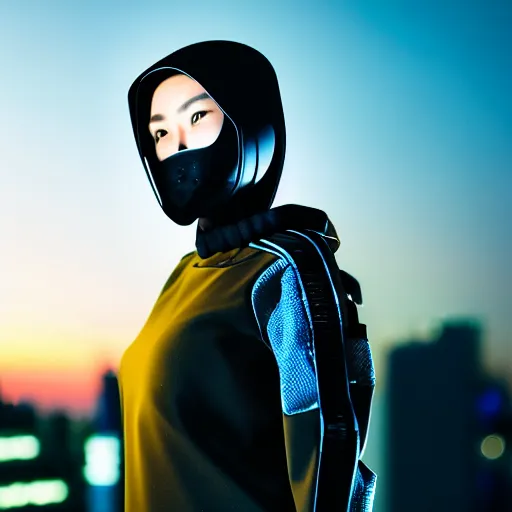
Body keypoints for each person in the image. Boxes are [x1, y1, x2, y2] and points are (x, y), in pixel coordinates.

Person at [119, 40, 376, 511]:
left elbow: (329, 447)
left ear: (250, 124)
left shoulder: (284, 269)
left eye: (196, 119)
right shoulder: (185, 273)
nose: (175, 148)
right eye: (159, 134)